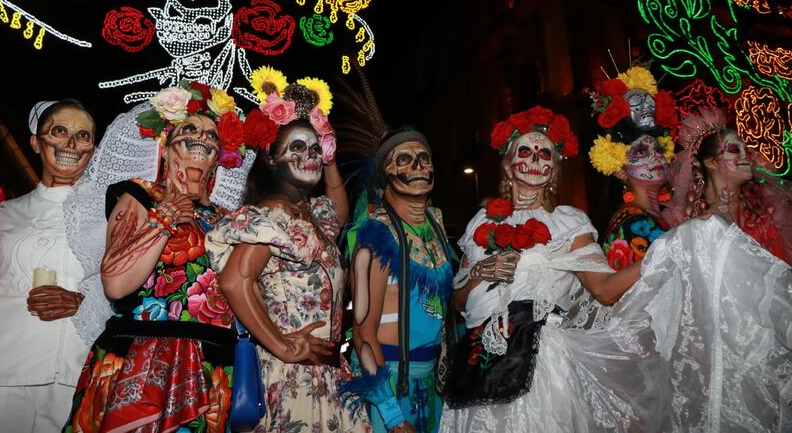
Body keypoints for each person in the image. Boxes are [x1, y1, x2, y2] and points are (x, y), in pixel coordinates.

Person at [64, 82, 253, 432]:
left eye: (212, 135)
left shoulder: (232, 219)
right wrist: (165, 218)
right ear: (165, 149)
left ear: (221, 156)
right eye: (190, 129)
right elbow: (116, 283)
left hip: (214, 364)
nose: (202, 137)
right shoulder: (141, 194)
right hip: (146, 356)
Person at [439, 106, 643, 432]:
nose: (536, 160)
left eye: (544, 153)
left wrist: (659, 256)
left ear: (554, 168)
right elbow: (460, 303)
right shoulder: (483, 221)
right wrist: (481, 272)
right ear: (507, 165)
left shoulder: (568, 222)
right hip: (481, 359)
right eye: (525, 151)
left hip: (542, 361)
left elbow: (604, 289)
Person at [207, 81, 371, 432]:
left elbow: (339, 210)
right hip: (293, 377)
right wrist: (281, 346)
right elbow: (235, 281)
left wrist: (329, 156)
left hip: (329, 374)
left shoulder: (313, 214)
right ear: (270, 159)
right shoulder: (268, 217)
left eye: (314, 150)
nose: (308, 157)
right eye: (297, 148)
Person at [0, 100, 96, 432]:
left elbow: (128, 292)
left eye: (83, 136)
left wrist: (83, 303)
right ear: (37, 142)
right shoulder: (5, 211)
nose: (71, 144)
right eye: (60, 131)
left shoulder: (110, 216)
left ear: (93, 149)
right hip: (4, 367)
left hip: (75, 369)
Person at [342, 127, 454, 433]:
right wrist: (392, 416)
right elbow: (364, 335)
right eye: (403, 159)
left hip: (430, 384)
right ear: (385, 174)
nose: (417, 167)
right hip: (389, 385)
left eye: (424, 158)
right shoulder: (375, 238)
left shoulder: (435, 227)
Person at [663, 108, 792, 264]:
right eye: (734, 150)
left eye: (746, 150)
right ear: (711, 162)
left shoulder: (768, 208)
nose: (746, 156)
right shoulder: (686, 219)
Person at [587, 64, 678, 270]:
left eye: (658, 150)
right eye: (641, 152)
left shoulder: (647, 216)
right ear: (620, 170)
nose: (655, 157)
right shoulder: (634, 221)